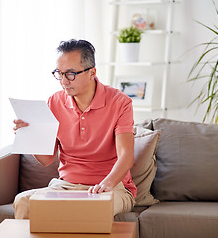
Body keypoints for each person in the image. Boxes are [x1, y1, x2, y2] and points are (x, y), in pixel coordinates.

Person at [13, 39, 136, 219]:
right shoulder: (54, 102)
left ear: (92, 72)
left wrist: (107, 184)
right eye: (59, 73)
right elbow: (47, 159)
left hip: (111, 186)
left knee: (91, 209)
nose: (63, 81)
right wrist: (29, 136)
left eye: (70, 74)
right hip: (66, 186)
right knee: (23, 201)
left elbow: (126, 157)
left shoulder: (120, 102)